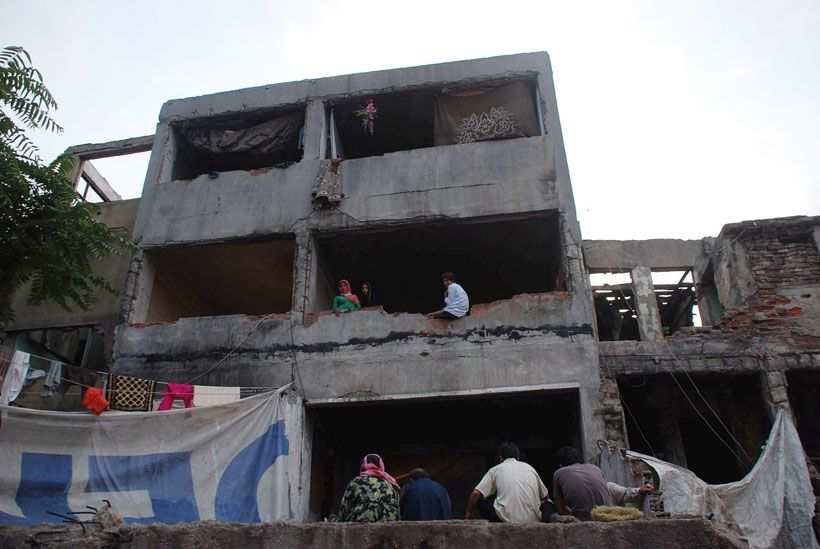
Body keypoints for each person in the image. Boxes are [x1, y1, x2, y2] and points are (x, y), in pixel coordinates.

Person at [552, 446, 653, 521]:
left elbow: (560, 510)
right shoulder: (594, 468)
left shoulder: (559, 473)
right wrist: (639, 490)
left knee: (552, 517)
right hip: (607, 517)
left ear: (561, 464)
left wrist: (571, 512)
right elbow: (617, 491)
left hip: (582, 521)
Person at [466, 442, 548, 523]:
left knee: (481, 497)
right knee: (547, 503)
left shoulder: (496, 469)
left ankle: (494, 527)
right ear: (517, 457)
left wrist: (469, 512)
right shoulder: (530, 468)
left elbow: (475, 494)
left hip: (504, 519)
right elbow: (545, 496)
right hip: (533, 519)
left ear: (500, 458)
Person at [334, 454, 400, 522]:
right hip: (390, 526)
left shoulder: (357, 482)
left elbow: (344, 510)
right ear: (381, 466)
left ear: (363, 466)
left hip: (362, 526)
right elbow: (397, 509)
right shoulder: (391, 484)